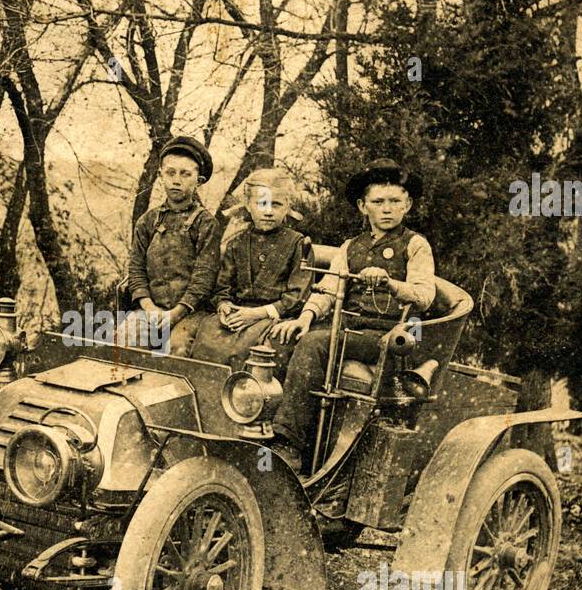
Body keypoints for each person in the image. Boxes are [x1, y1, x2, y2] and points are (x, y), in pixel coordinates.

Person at [267, 158, 437, 468]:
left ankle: (288, 444)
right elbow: (328, 290)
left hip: (388, 335)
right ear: (362, 206)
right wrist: (304, 317)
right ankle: (263, 425)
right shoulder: (350, 247)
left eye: (395, 201)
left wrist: (390, 283)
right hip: (349, 326)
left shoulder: (415, 245)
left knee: (315, 344)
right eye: (378, 202)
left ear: (408, 205)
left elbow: (424, 296)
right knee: (282, 339)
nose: (387, 209)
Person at [188, 169, 310, 372]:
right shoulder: (236, 243)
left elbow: (297, 296)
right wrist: (224, 306)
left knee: (257, 351)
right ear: (248, 205)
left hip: (274, 316)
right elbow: (223, 287)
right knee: (209, 339)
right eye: (261, 204)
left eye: (276, 204)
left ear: (287, 206)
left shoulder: (298, 243)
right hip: (238, 314)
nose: (268, 211)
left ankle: (245, 390)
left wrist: (256, 314)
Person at [121, 136, 222, 355]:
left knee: (177, 347)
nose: (177, 180)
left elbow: (204, 279)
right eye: (171, 173)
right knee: (124, 340)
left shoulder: (206, 224)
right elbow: (136, 270)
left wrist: (176, 313)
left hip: (191, 314)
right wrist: (149, 308)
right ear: (160, 175)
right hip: (150, 310)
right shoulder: (147, 222)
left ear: (199, 180)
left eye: (185, 174)